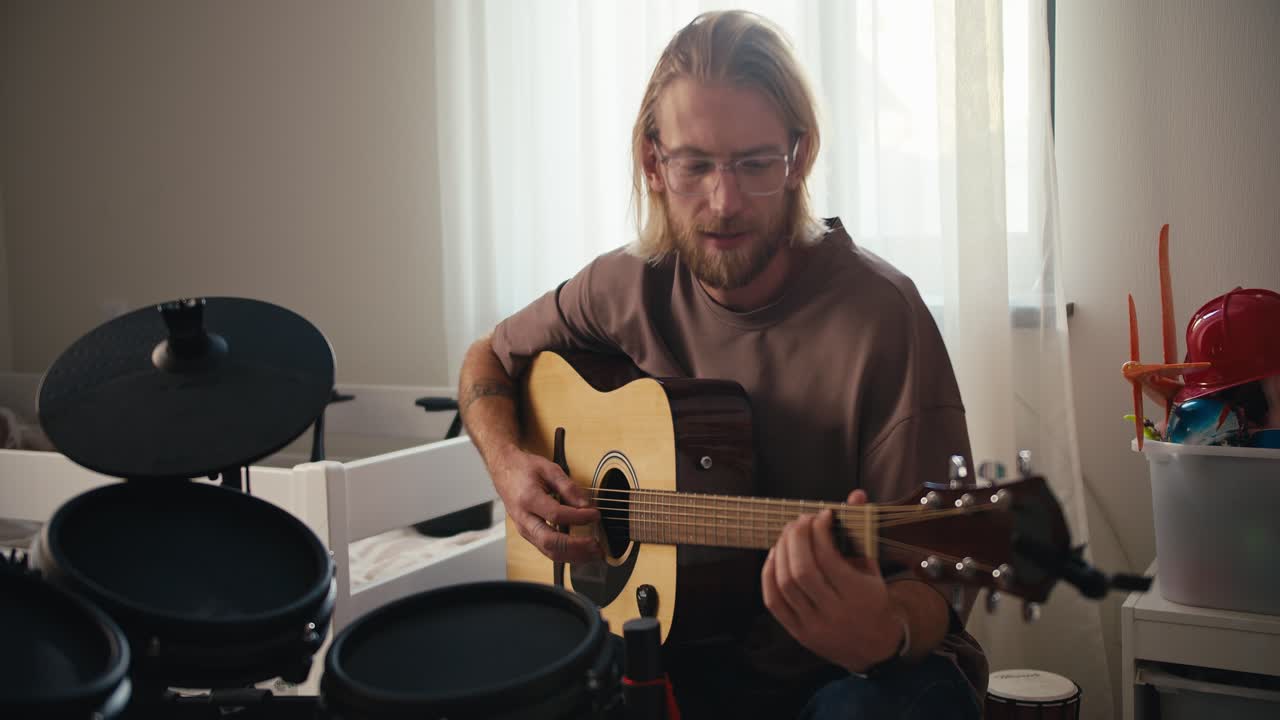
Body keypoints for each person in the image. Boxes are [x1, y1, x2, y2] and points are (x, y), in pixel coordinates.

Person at [456, 10, 986, 719]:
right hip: (673, 651)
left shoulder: (882, 316)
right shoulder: (624, 286)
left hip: (840, 673)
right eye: (695, 164)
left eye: (756, 163)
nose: (725, 200)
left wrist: (883, 629)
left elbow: (943, 569)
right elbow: (487, 355)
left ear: (798, 157)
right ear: (654, 163)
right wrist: (509, 463)